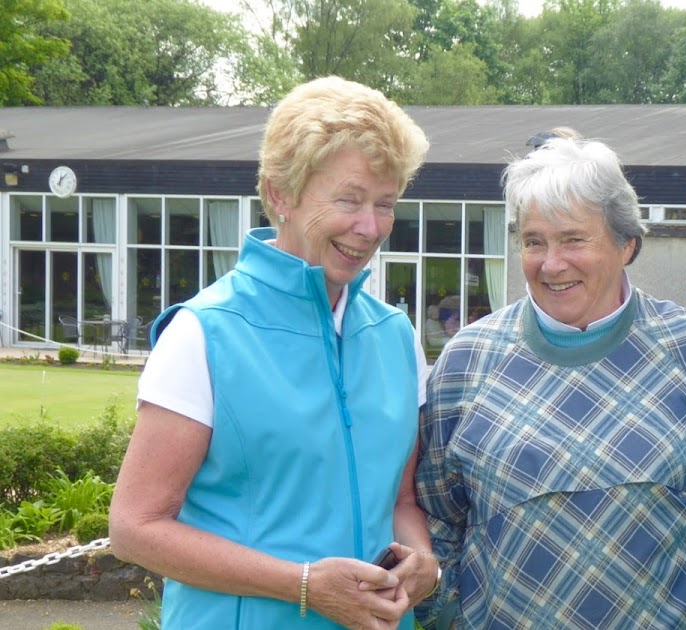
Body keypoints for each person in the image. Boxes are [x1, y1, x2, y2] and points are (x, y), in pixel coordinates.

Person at [109, 76, 440, 630]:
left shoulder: (396, 337)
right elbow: (135, 527)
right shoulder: (203, 333)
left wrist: (420, 556)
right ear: (279, 193)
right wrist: (305, 586)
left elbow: (401, 501)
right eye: (350, 199)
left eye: (386, 204)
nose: (370, 227)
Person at [415, 136, 686, 629]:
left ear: (626, 243)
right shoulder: (467, 360)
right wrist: (445, 614)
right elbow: (437, 515)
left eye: (573, 239)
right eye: (533, 241)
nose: (551, 263)